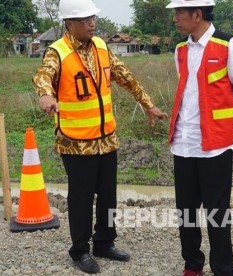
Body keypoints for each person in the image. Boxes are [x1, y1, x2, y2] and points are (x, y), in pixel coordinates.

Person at [32, 0, 167, 273]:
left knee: (108, 195)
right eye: (84, 19)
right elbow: (43, 76)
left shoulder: (102, 47)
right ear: (69, 23)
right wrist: (46, 94)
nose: (91, 23)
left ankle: (104, 243)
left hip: (106, 138)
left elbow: (125, 76)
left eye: (93, 17)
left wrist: (148, 104)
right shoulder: (56, 52)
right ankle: (79, 250)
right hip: (76, 141)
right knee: (81, 198)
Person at [165, 0, 233, 275]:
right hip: (184, 143)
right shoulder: (179, 50)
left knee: (217, 213)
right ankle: (192, 264)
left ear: (197, 14)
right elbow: (187, 89)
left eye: (179, 13)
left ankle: (224, 268)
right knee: (186, 212)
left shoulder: (229, 46)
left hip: (215, 146)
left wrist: (230, 124)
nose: (175, 19)